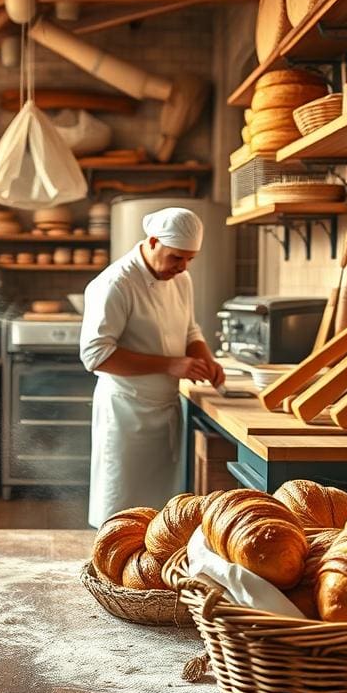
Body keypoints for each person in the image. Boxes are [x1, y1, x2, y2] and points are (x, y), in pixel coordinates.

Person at [80, 207, 225, 527]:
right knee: (122, 514)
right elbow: (96, 355)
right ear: (153, 241)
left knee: (162, 519)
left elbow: (190, 331)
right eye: (176, 258)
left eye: (190, 259)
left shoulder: (181, 279)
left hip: (165, 410)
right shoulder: (115, 283)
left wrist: (205, 359)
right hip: (126, 414)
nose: (183, 267)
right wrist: (172, 364)